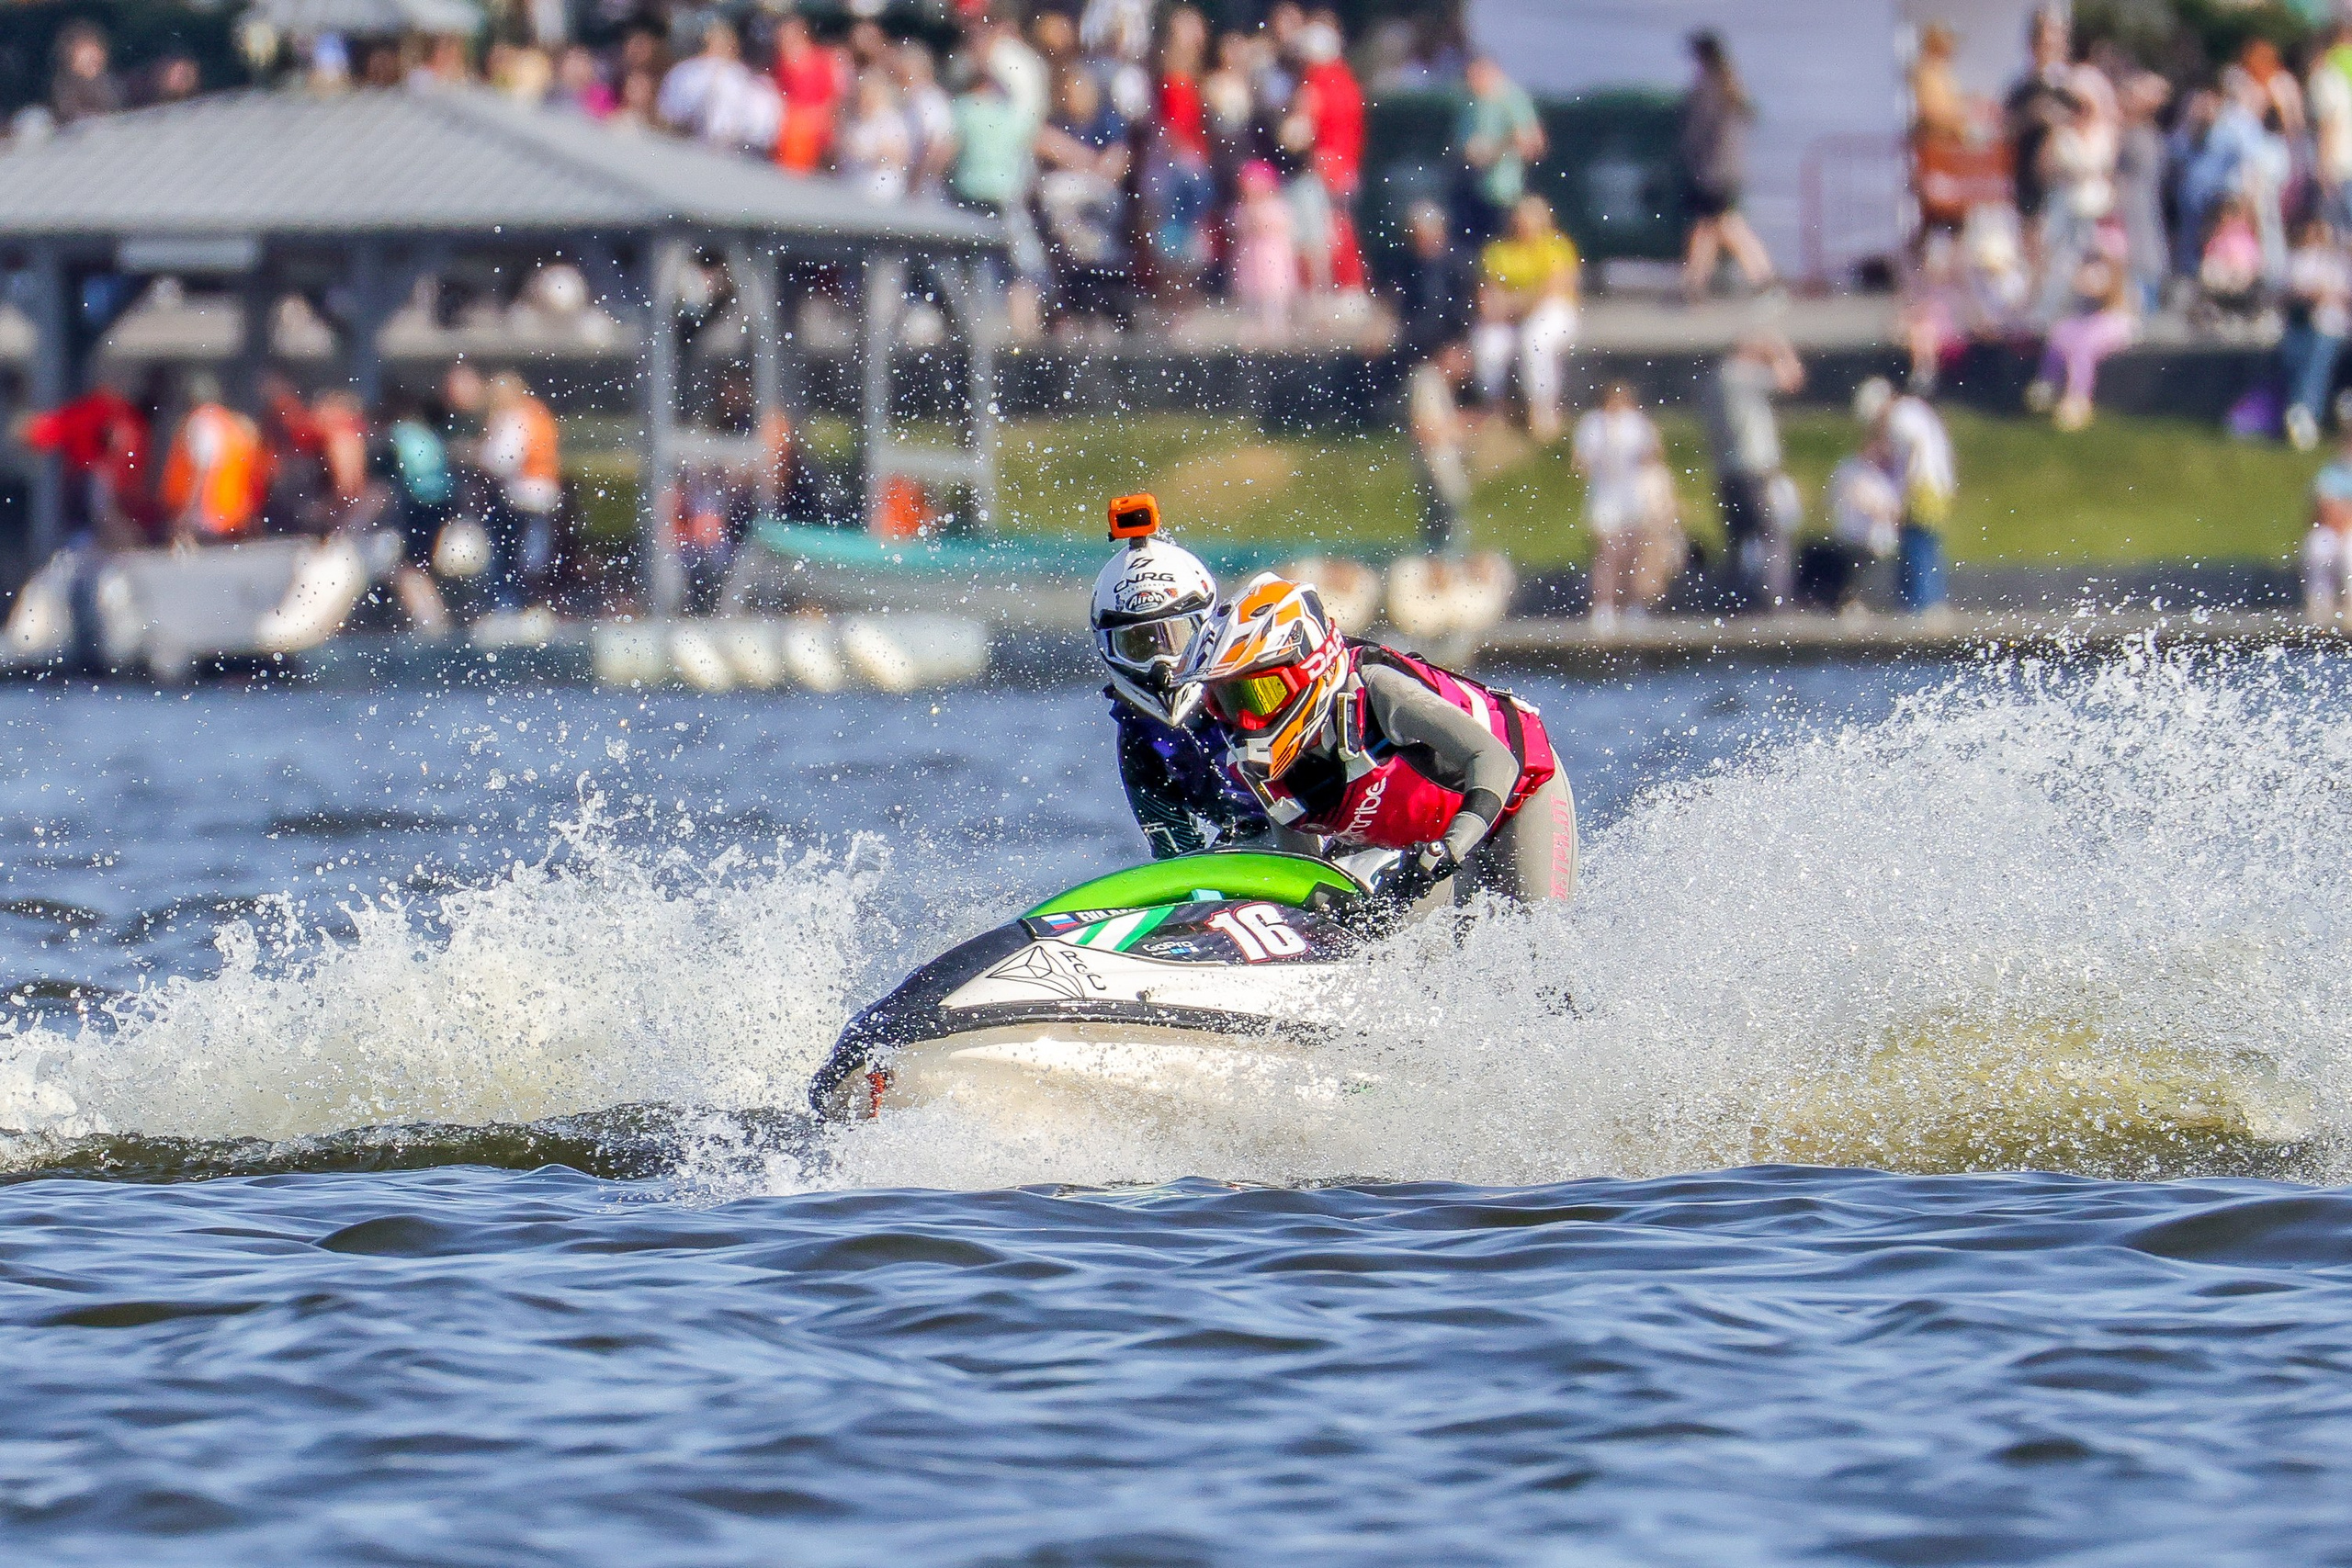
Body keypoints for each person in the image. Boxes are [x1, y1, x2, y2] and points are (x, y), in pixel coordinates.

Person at [1180, 573, 1575, 907]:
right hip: (1423, 845)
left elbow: (1494, 759)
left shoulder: (1380, 692)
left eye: (1259, 696)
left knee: (1538, 936)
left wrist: (1450, 848)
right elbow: (1303, 872)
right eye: (1226, 702)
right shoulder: (1260, 768)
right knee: (1416, 958)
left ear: (1309, 668)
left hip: (1516, 794)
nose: (1245, 722)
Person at [1090, 496, 1268, 860]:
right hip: (1251, 851)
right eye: (1139, 645)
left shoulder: (1259, 682)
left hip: (1338, 829)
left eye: (1177, 639)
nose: (1162, 664)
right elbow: (1176, 857)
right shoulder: (1140, 738)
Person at [1703, 333, 1804, 610]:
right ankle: (1776, 602)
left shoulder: (1717, 379)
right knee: (1773, 535)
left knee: (1739, 541)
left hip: (1727, 472)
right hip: (1755, 472)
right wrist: (1780, 348)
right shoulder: (1742, 375)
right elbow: (1792, 380)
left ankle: (1736, 603)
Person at [1474, 194, 1579, 441]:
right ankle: (1496, 410)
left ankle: (1542, 410)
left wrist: (1514, 302)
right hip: (1511, 317)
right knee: (1488, 345)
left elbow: (1553, 288)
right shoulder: (1498, 251)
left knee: (1535, 341)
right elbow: (1487, 298)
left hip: (1553, 312)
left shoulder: (1556, 246)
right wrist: (1514, 304)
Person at [1679, 31, 1774, 300]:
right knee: (1709, 226)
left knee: (1724, 225)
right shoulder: (1729, 84)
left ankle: (1764, 279)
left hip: (1712, 171)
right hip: (1727, 169)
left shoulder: (1708, 88)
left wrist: (1688, 156)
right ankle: (1694, 285)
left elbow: (1698, 133)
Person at [1852, 378, 1956, 615]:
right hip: (1934, 484)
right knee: (1924, 540)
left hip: (1923, 486)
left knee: (1917, 541)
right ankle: (1928, 601)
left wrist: (1908, 486)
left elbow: (1916, 446)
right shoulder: (1911, 409)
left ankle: (1921, 603)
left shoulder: (1900, 415)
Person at [16, 376, 153, 552]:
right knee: (106, 507)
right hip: (107, 466)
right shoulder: (73, 418)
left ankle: (129, 543)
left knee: (105, 507)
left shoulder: (70, 421)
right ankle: (125, 543)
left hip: (108, 466)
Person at [1572, 383, 1662, 628]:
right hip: (1604, 495)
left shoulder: (1636, 423)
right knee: (1607, 552)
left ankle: (1633, 603)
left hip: (1632, 495)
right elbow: (1581, 459)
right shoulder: (1593, 423)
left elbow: (1652, 454)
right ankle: (1604, 605)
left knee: (1633, 552)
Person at [2027, 253, 2135, 433]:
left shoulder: (2117, 290)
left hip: (2113, 322)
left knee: (2083, 347)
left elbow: (2115, 308)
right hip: (2090, 321)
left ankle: (2078, 398)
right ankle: (2049, 384)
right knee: (2060, 333)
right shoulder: (2081, 294)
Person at [158, 373, 266, 544]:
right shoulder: (232, 423)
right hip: (232, 514)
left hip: (206, 518)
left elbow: (202, 471)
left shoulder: (201, 422)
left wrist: (186, 514)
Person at [656, 19, 781, 155]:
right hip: (688, 146)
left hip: (729, 152)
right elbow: (667, 117)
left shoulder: (744, 79)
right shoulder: (687, 72)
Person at [2280, 216, 2352, 451]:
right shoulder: (2299, 259)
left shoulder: (2336, 262)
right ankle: (2303, 420)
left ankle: (2311, 418)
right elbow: (2294, 292)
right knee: (2307, 375)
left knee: (2317, 374)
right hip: (2307, 325)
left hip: (2332, 327)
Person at [1455, 54, 1544, 241]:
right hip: (1476, 190)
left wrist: (1496, 149)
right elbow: (1465, 149)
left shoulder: (1514, 99)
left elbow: (1531, 143)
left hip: (1510, 190)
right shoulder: (1470, 105)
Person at [1406, 341, 1474, 551]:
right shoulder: (1427, 381)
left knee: (1445, 523)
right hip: (1436, 463)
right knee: (1446, 522)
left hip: (1439, 463)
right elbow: (1425, 427)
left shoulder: (1438, 383)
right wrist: (1462, 427)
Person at [1393, 199, 1473, 363]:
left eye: (1425, 237)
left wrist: (1458, 346)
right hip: (1413, 349)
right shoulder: (1407, 268)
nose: (1421, 244)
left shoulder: (1460, 266)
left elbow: (1466, 312)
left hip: (1452, 349)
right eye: (1415, 238)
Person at [2303, 429, 2352, 621]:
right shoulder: (2330, 473)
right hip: (2332, 529)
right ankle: (2319, 603)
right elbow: (2322, 508)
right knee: (2318, 545)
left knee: (2350, 549)